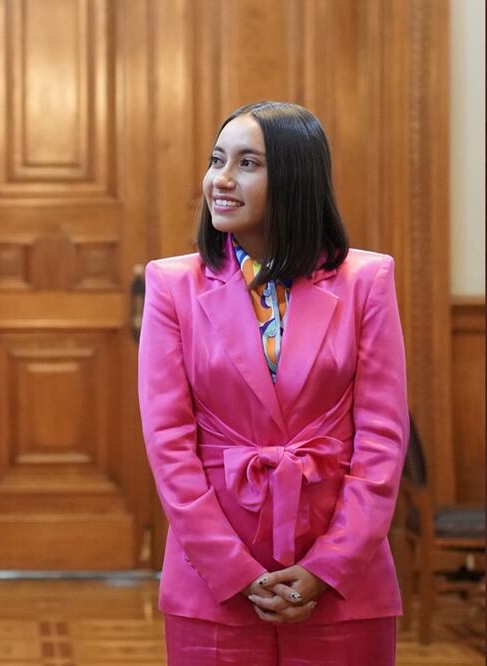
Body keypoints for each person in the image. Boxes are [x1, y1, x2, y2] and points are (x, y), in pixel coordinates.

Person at [138, 101, 407, 664]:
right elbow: (169, 446)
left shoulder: (367, 280)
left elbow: (383, 439)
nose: (222, 180)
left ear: (294, 179)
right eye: (217, 160)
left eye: (248, 163)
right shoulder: (171, 284)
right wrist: (231, 570)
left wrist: (328, 566)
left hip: (344, 578)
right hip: (212, 582)